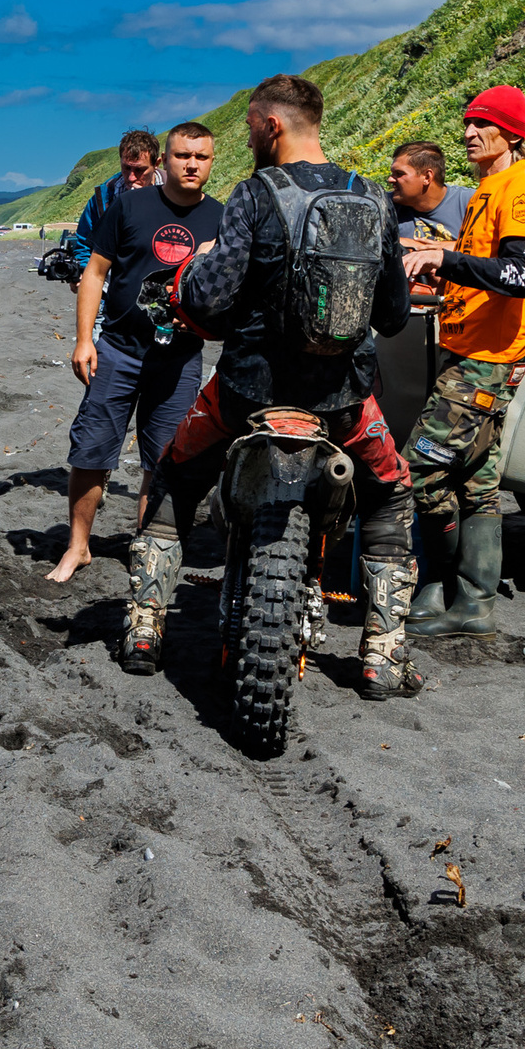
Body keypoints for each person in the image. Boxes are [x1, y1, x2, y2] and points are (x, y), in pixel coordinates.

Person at [142, 75, 420, 695]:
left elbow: (210, 301)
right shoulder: (373, 197)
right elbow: (394, 316)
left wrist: (193, 275)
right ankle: (383, 653)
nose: (249, 139)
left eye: (248, 128)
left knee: (174, 476)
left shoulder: (254, 195)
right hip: (342, 400)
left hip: (247, 392)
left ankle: (144, 627)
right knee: (389, 494)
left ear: (272, 126)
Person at [400, 84, 525, 643]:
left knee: (417, 469)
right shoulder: (489, 187)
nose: (469, 133)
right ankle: (471, 604)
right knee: (476, 479)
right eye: (467, 123)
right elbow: (483, 271)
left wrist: (446, 257)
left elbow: (524, 275)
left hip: (486, 362)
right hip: (466, 349)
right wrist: (437, 276)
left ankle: (434, 582)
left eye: (483, 124)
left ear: (511, 133)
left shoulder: (522, 188)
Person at [47, 122, 221, 588]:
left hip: (180, 359)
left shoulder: (222, 219)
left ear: (211, 162)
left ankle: (145, 547)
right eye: (183, 155)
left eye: (200, 157)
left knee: (162, 460)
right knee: (91, 450)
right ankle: (77, 546)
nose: (191, 164)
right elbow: (95, 272)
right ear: (165, 160)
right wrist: (85, 339)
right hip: (119, 350)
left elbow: (230, 295)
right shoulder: (130, 205)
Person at [66, 129, 166, 272]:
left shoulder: (176, 194)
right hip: (113, 284)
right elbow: (84, 244)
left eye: (139, 170)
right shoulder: (103, 198)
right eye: (126, 168)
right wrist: (83, 274)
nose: (131, 177)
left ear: (156, 164)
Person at [387, 141, 472, 241]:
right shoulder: (384, 206)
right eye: (392, 173)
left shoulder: (470, 202)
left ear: (427, 177)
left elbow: (484, 249)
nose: (390, 179)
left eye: (399, 174)